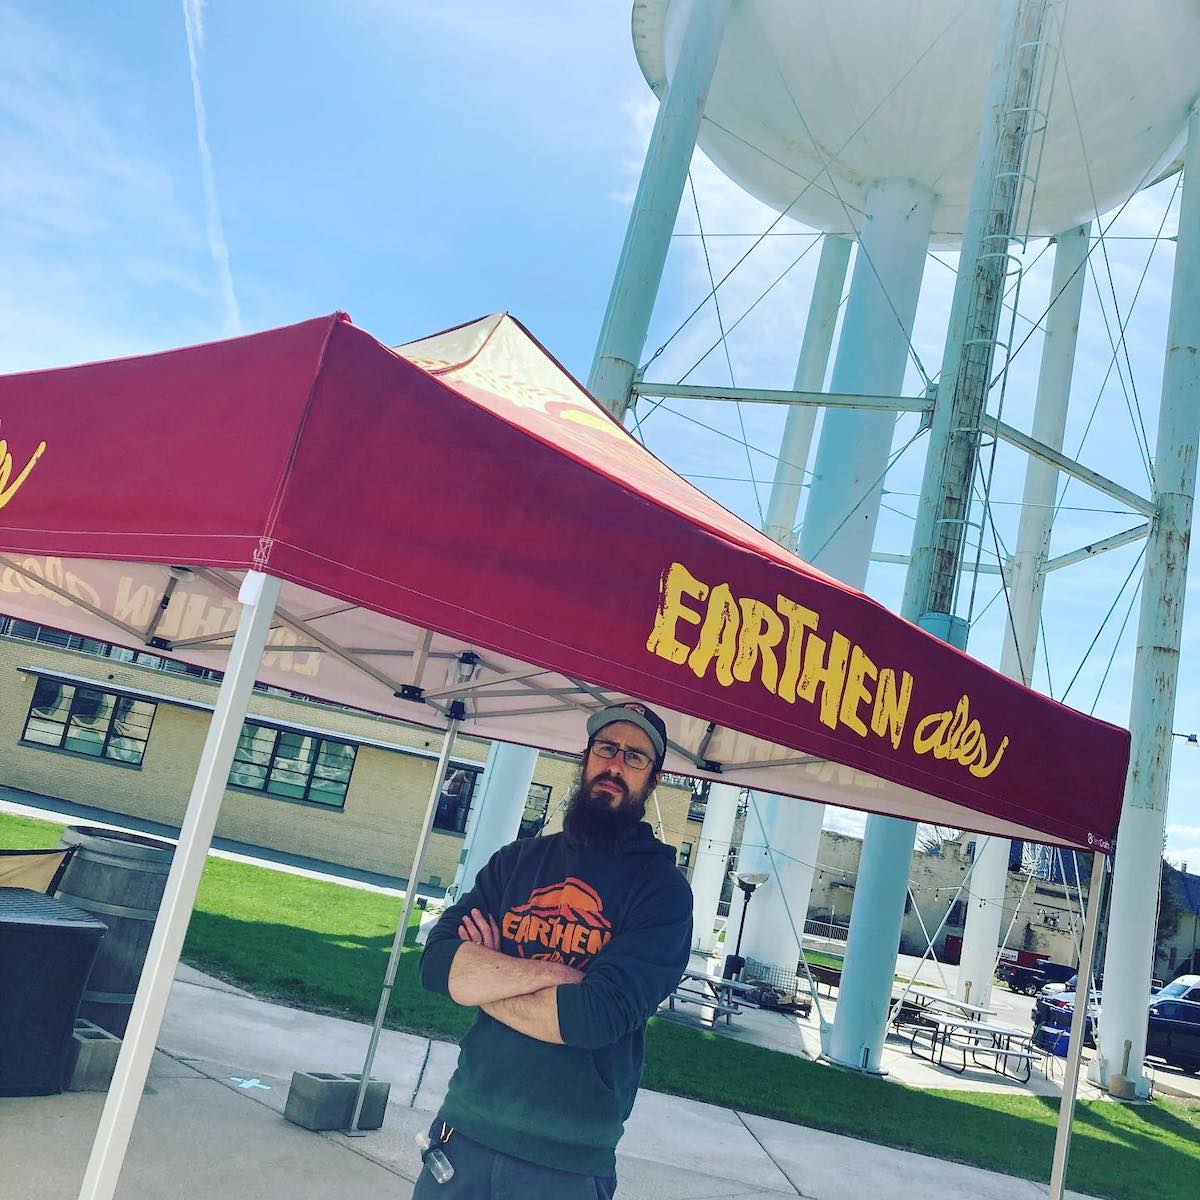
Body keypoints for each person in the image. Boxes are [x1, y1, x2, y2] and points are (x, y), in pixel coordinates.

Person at [415, 701, 693, 1198]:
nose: (614, 764)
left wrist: (484, 978)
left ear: (653, 780)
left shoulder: (662, 892)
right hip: (463, 1132)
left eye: (635, 757)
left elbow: (594, 1017)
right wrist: (555, 978)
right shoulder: (517, 863)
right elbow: (437, 965)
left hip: (565, 1162)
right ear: (585, 757)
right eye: (606, 748)